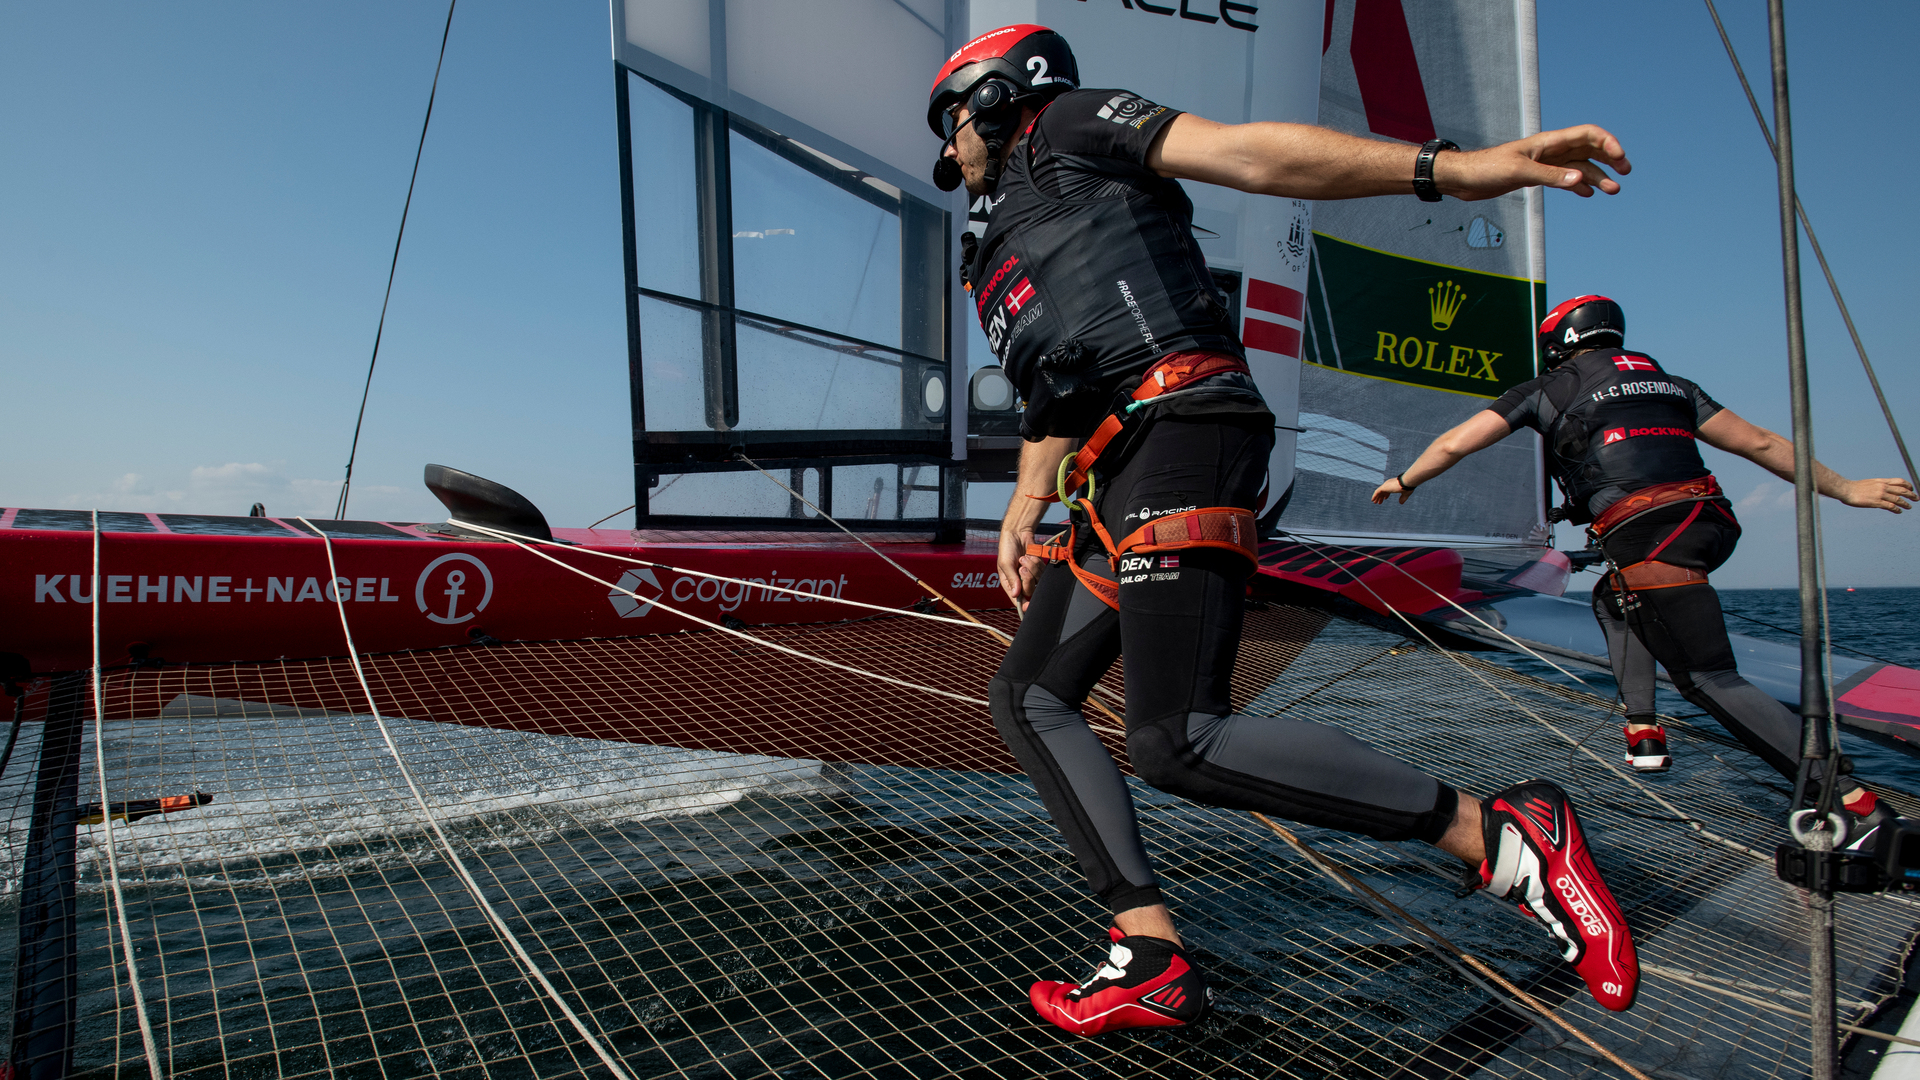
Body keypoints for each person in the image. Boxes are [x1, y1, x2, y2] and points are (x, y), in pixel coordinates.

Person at [930, 25, 1642, 1035]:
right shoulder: (999, 237)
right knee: (1030, 694)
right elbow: (1056, 385)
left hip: (1184, 429)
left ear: (998, 97)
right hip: (1112, 467)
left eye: (950, 116)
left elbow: (1252, 152)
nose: (947, 144)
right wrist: (1022, 502)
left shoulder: (1069, 128)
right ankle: (1149, 956)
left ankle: (1502, 833)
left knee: (1176, 740)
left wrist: (1458, 170)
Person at [1372, 295, 1914, 844]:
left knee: (1708, 678)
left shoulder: (1547, 389)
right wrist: (1846, 488)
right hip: (1710, 525)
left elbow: (1454, 443)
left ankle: (1847, 799)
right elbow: (1760, 442)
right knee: (1613, 598)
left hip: (1652, 537)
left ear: (1559, 343)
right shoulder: (1673, 385)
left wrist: (1406, 480)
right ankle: (1644, 730)